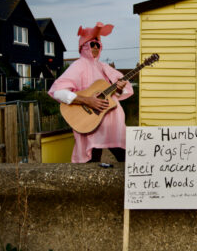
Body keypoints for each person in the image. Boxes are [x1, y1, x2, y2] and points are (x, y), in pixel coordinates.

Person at [48, 22, 134, 163]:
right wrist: (87, 101)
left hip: (113, 126)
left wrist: (119, 89)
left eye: (98, 45)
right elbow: (57, 92)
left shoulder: (104, 67)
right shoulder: (78, 66)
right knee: (91, 166)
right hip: (91, 124)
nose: (95, 47)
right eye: (91, 44)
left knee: (128, 161)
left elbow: (122, 90)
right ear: (83, 47)